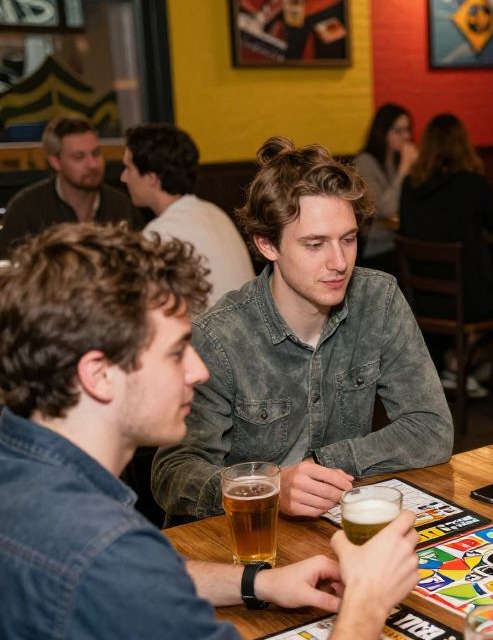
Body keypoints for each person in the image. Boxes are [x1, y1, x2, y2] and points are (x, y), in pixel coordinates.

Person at [0, 222, 420, 640]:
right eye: (177, 352)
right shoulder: (100, 553)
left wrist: (257, 583)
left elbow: (127, 583)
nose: (197, 371)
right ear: (99, 374)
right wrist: (366, 600)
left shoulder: (23, 468)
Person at [151, 137, 452, 523]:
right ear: (267, 245)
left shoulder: (378, 299)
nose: (339, 262)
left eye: (348, 239)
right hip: (243, 538)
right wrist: (269, 488)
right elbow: (173, 473)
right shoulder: (219, 337)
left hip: (332, 524)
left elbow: (431, 429)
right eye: (315, 244)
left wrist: (321, 465)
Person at [399, 114, 493, 396]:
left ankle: (459, 363)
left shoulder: (410, 185)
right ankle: (462, 363)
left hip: (421, 299)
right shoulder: (474, 184)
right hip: (467, 302)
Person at [121, 123, 255, 305]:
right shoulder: (215, 212)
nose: (123, 177)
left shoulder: (159, 235)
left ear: (151, 178)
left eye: (128, 168)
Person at [0, 115, 140, 259]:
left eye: (96, 153)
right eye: (79, 157)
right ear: (55, 162)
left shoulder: (121, 205)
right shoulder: (26, 210)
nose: (93, 164)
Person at [352, 103, 418, 270]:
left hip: (399, 241)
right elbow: (386, 210)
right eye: (399, 131)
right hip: (376, 247)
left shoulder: (395, 161)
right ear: (383, 132)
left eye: (408, 130)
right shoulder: (365, 163)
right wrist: (404, 169)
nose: (406, 136)